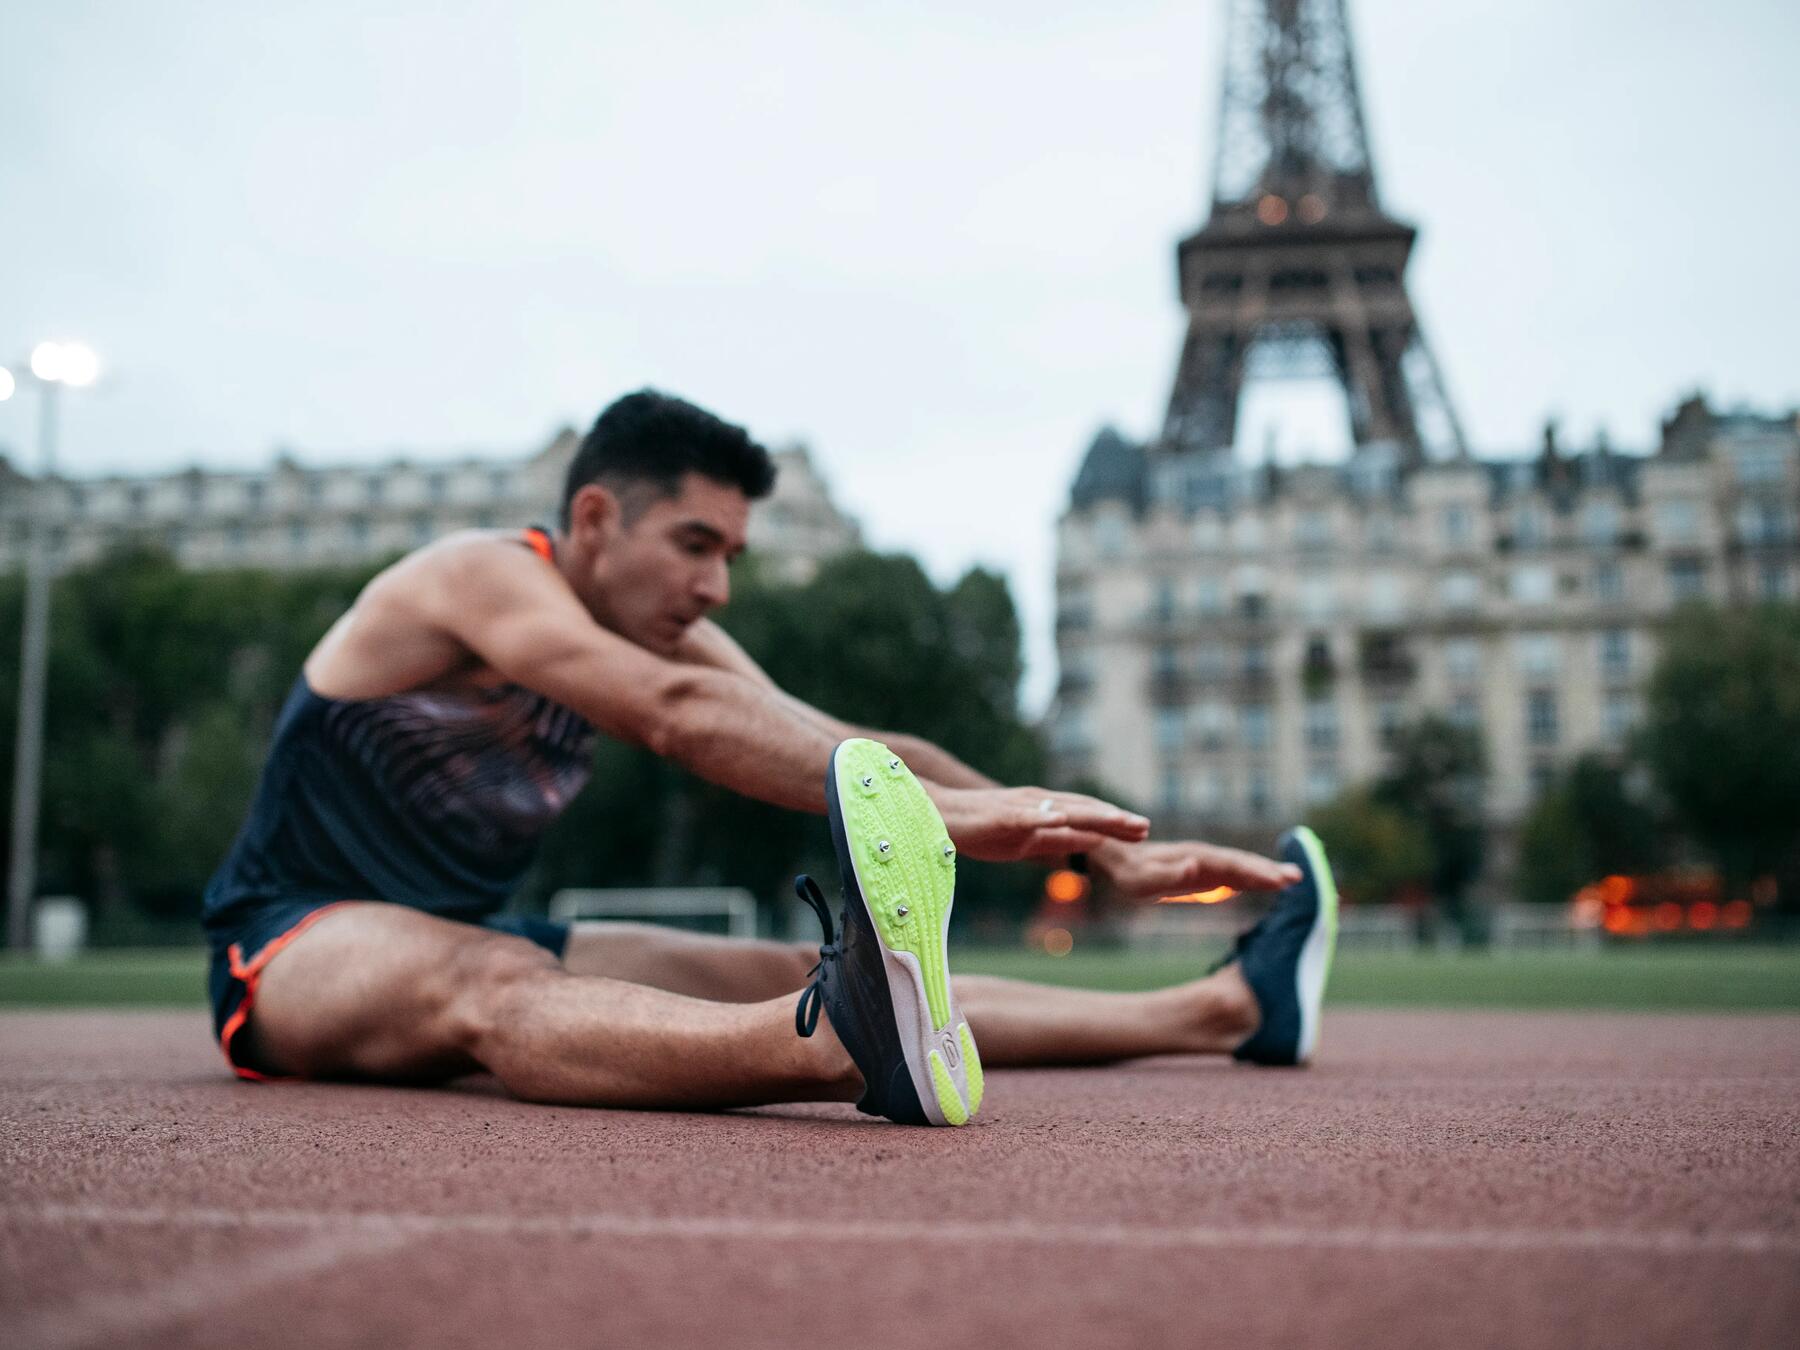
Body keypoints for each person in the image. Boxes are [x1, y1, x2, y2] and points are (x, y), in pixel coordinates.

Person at [203, 389, 1336, 1127]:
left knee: (782, 961)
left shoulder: (672, 629)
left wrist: (1098, 852)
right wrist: (938, 816)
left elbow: (849, 747)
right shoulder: (476, 576)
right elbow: (678, 716)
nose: (717, 587)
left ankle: (1232, 1009)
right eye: (695, 545)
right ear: (595, 520)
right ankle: (834, 1046)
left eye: (733, 554)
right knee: (497, 986)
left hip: (470, 921)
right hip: (294, 939)